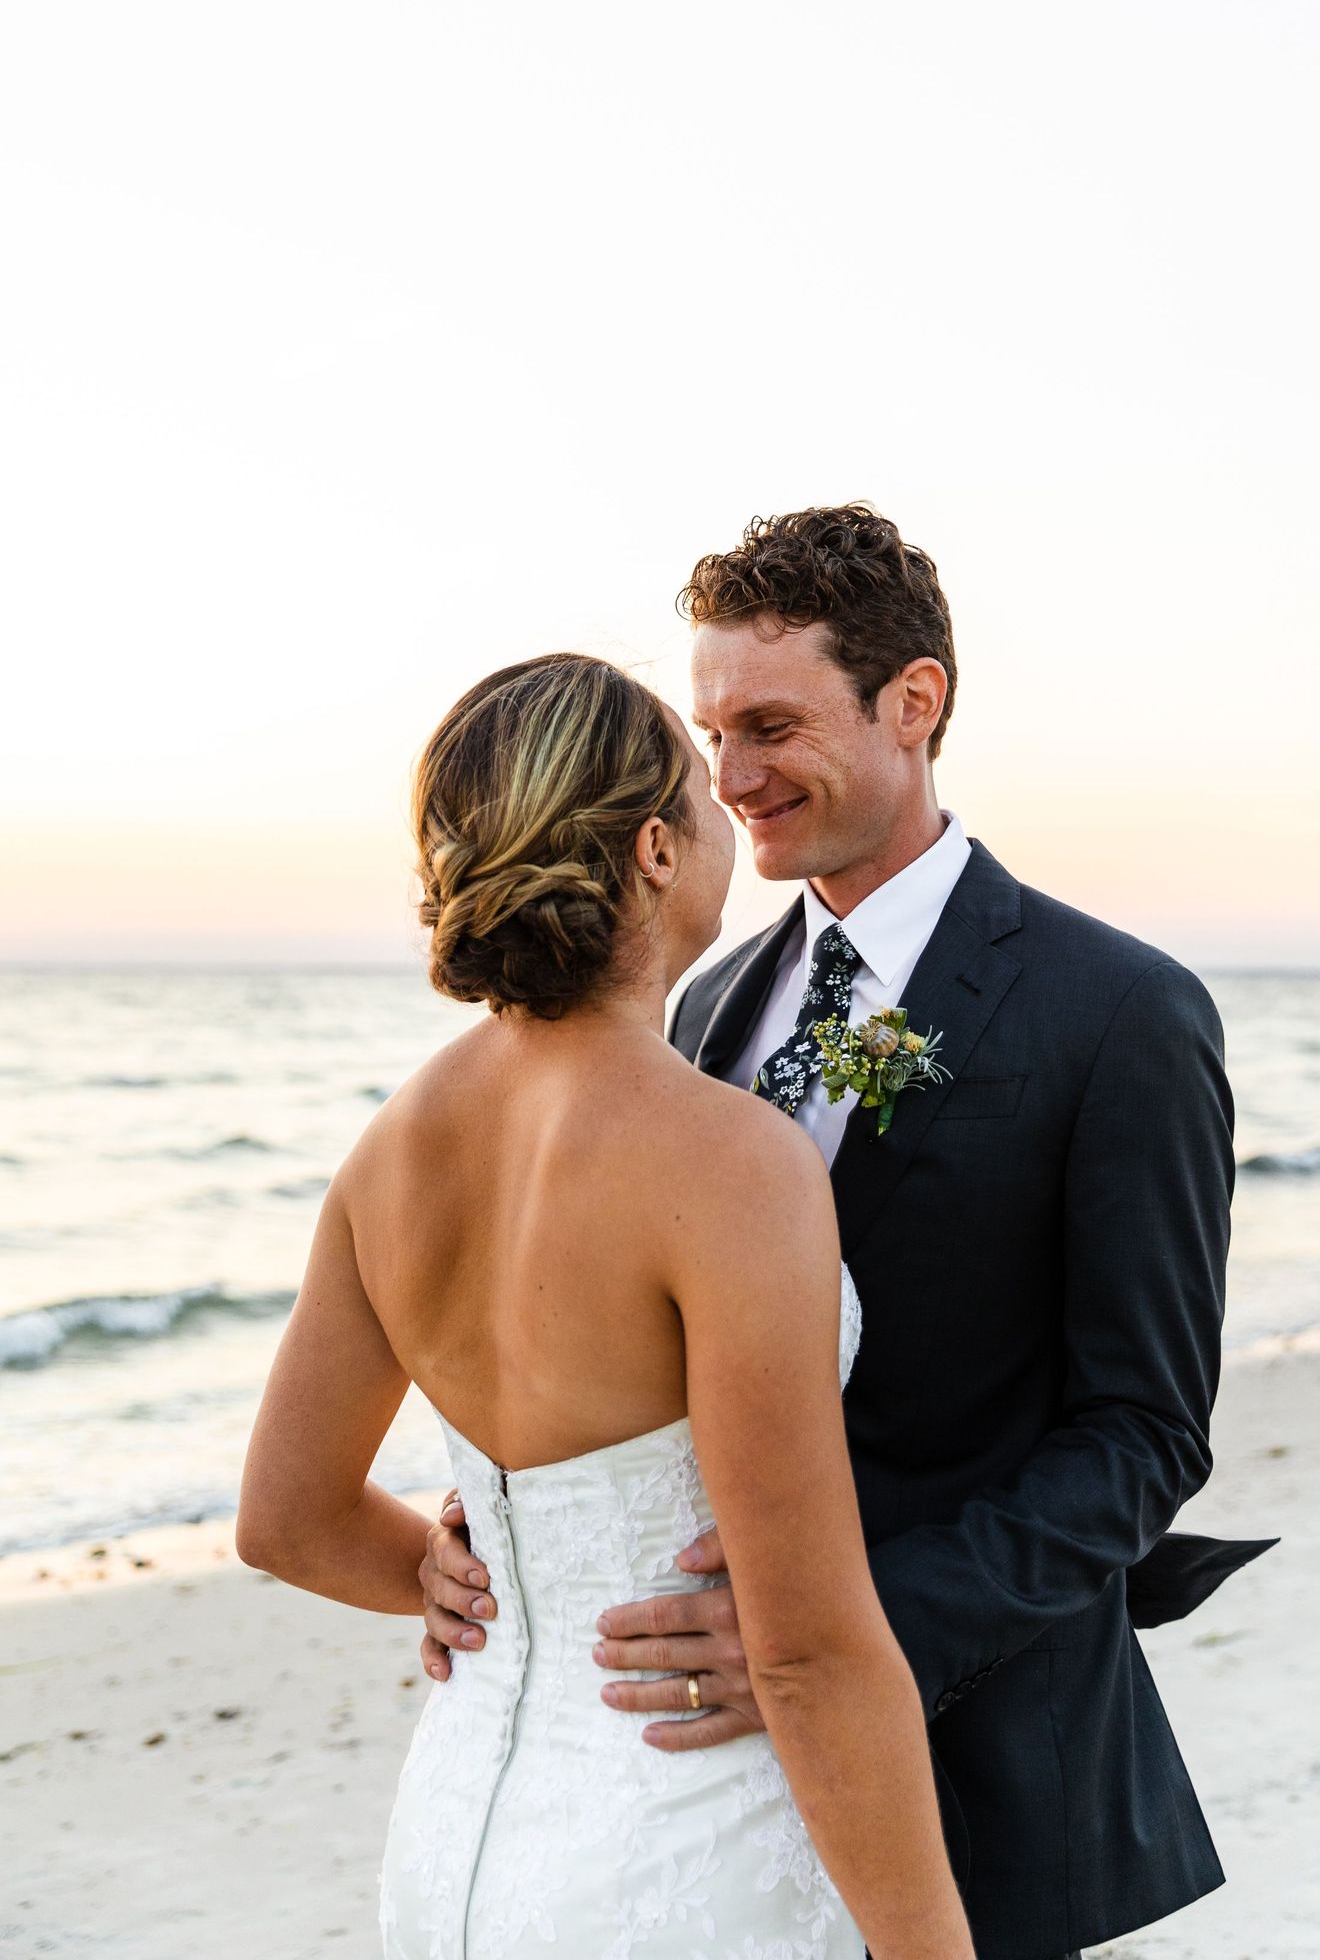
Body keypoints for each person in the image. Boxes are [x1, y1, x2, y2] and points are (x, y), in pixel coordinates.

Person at [420, 507, 1274, 1960]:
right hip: (709, 1787)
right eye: (710, 735)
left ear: (914, 704)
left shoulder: (1120, 1013)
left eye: (769, 723)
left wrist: (839, 1630)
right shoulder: (702, 1006)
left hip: (982, 1748)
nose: (728, 778)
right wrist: (517, 1498)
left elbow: (1142, 1434)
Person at [237, 649, 975, 1960]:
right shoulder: (730, 1163)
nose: (724, 806)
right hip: (679, 1855)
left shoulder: (391, 1149)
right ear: (651, 848)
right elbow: (805, 1652)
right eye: (701, 786)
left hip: (452, 1848)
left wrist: (457, 1576)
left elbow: (285, 1519)